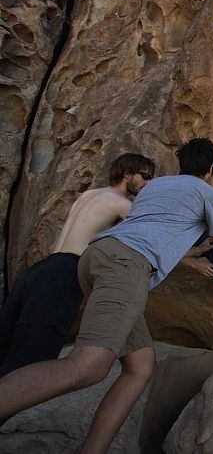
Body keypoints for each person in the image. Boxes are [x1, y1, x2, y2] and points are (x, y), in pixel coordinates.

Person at [0, 138, 213, 453]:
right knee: (87, 367)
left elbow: (152, 228)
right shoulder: (209, 194)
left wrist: (190, 253)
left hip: (98, 257)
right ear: (210, 169)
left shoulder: (156, 188)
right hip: (126, 266)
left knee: (140, 366)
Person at [0, 153, 155, 379]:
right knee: (32, 356)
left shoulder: (89, 195)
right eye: (146, 176)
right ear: (127, 174)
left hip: (39, 270)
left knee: (6, 343)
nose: (148, 183)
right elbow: (149, 234)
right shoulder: (121, 203)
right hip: (64, 274)